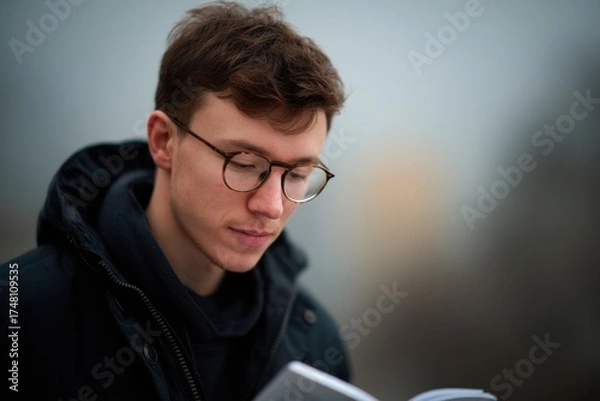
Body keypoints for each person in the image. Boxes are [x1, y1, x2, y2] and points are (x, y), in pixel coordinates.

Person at [1, 2, 350, 400]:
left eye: (298, 175)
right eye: (244, 164)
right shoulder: (20, 314)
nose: (271, 206)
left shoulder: (316, 347)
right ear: (164, 141)